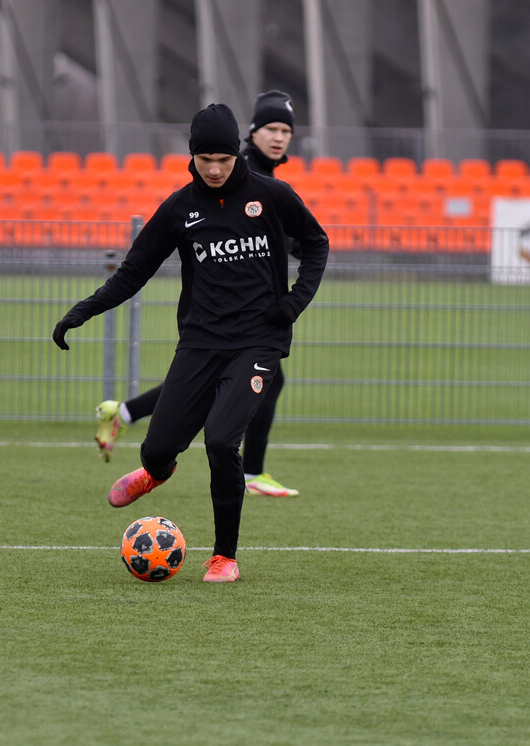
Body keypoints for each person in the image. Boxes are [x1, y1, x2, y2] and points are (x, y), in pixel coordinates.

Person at [53, 103, 329, 582]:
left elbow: (317, 242)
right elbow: (133, 272)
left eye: (224, 159)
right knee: (156, 450)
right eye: (206, 160)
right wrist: (83, 311)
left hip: (257, 343)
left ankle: (225, 557)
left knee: (221, 442)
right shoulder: (180, 208)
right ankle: (156, 473)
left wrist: (293, 303)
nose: (216, 169)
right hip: (200, 343)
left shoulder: (272, 194)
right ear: (192, 157)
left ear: (237, 154)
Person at [93, 90, 301, 499]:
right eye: (271, 129)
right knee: (234, 381)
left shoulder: (267, 180)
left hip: (255, 317)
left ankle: (128, 412)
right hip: (227, 318)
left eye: (287, 131)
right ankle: (250, 472)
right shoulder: (242, 173)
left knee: (238, 382)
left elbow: (290, 234)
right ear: (252, 134)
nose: (279, 138)